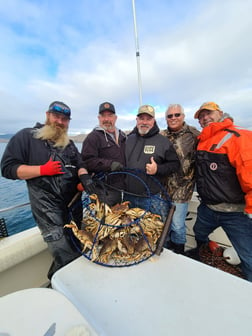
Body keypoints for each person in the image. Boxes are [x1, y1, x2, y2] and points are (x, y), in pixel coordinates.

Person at [1, 101, 96, 280]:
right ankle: (64, 289)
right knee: (65, 256)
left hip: (74, 212)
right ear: (47, 115)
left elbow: (80, 165)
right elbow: (7, 168)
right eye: (56, 117)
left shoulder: (68, 144)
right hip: (48, 214)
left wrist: (83, 178)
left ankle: (61, 283)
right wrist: (41, 170)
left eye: (65, 119)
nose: (60, 122)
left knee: (76, 250)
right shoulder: (27, 137)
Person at [191, 101, 252, 282]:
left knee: (248, 256)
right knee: (199, 233)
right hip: (208, 208)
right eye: (201, 116)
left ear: (220, 113)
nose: (204, 118)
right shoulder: (201, 141)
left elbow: (249, 173)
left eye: (208, 113)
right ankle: (205, 255)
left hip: (235, 213)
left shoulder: (239, 136)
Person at [124, 104, 180, 222]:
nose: (144, 122)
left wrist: (157, 169)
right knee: (130, 231)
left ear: (153, 121)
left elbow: (175, 164)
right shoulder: (128, 139)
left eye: (148, 119)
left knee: (152, 233)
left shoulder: (163, 142)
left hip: (151, 198)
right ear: (137, 120)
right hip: (128, 196)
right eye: (141, 118)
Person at [161, 104, 200, 254]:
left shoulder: (194, 134)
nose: (173, 118)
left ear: (183, 116)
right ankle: (166, 251)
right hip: (163, 188)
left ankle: (179, 253)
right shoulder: (162, 136)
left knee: (177, 225)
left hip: (183, 188)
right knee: (164, 223)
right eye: (170, 116)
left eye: (177, 115)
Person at [81, 102, 126, 206]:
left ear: (115, 118)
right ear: (99, 118)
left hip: (122, 189)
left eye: (110, 116)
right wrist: (109, 164)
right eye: (103, 116)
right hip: (103, 191)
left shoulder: (123, 136)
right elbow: (86, 161)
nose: (106, 119)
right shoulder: (93, 137)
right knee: (104, 221)